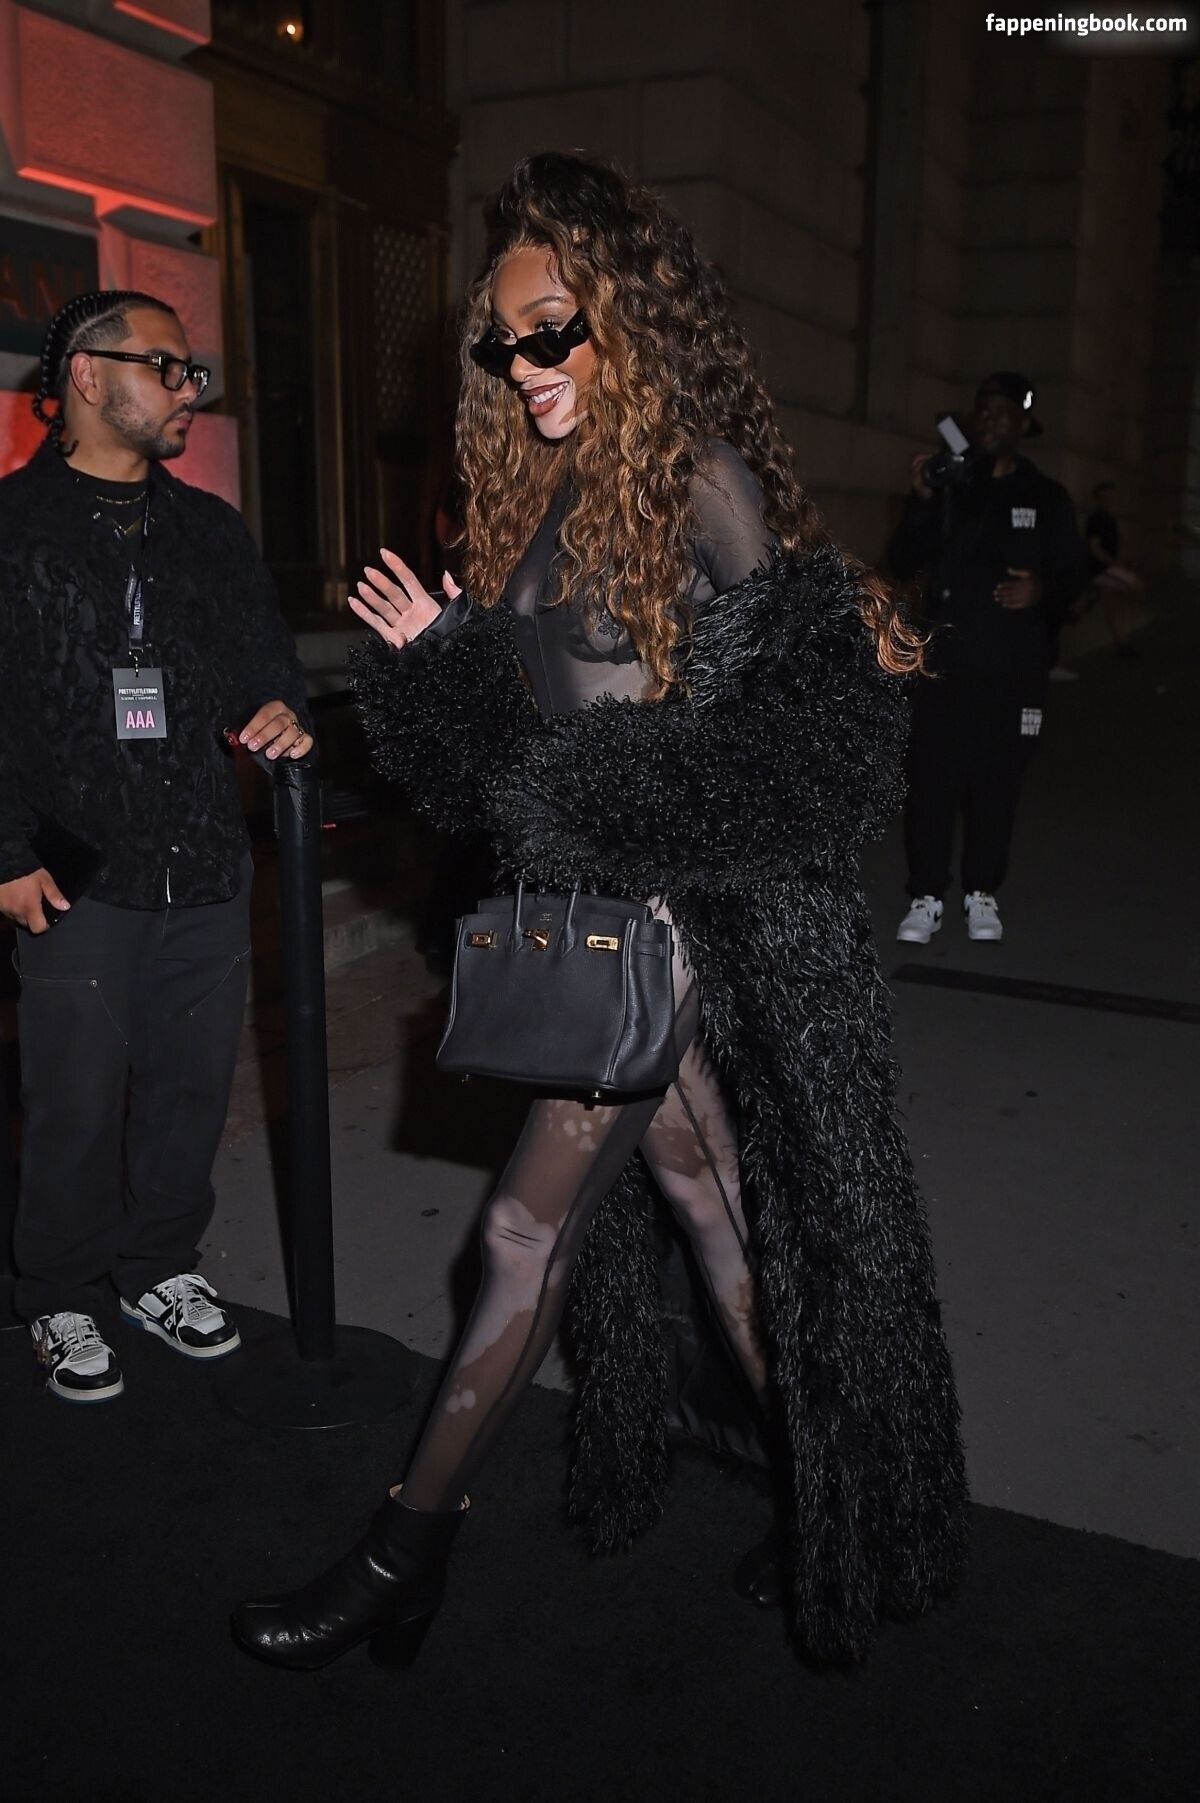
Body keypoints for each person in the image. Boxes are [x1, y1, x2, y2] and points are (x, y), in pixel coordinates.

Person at [232, 153, 967, 1671]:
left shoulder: (702, 481)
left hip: (679, 930)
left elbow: (798, 736)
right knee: (711, 1210)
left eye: (552, 330)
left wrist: (642, 817)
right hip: (597, 915)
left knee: (522, 1228)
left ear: (626, 313)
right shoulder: (540, 491)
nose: (525, 366)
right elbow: (522, 743)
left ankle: (402, 1552)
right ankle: (841, 1501)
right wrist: (435, 663)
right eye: (502, 343)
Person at [0, 290, 314, 1402]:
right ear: (87, 377)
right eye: (167, 368)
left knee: (188, 1093)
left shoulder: (209, 529)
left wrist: (278, 708)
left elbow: (264, 663)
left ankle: (157, 1268)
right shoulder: (13, 527)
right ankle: (57, 1291)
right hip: (72, 866)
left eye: (193, 373)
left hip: (205, 858)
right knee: (75, 1101)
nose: (190, 391)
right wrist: (5, 849)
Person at [889, 372, 1087, 945]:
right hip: (944, 666)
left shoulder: (1047, 498)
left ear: (1025, 424)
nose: (991, 420)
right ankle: (927, 895)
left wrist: (1041, 591)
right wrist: (922, 500)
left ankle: (981, 892)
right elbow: (902, 560)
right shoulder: (954, 486)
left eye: (1004, 412)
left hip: (1013, 673)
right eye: (984, 411)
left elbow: (1075, 581)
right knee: (932, 782)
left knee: (998, 782)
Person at [1085, 480, 1144, 657]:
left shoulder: (1110, 519)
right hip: (1103, 568)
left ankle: (1122, 642)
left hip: (1109, 567)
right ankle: (1122, 642)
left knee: (1115, 605)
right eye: (1106, 498)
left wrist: (1124, 561)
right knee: (1131, 591)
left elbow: (1119, 544)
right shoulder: (1097, 519)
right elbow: (1094, 547)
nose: (1111, 501)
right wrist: (1115, 563)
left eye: (1113, 497)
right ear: (1099, 500)